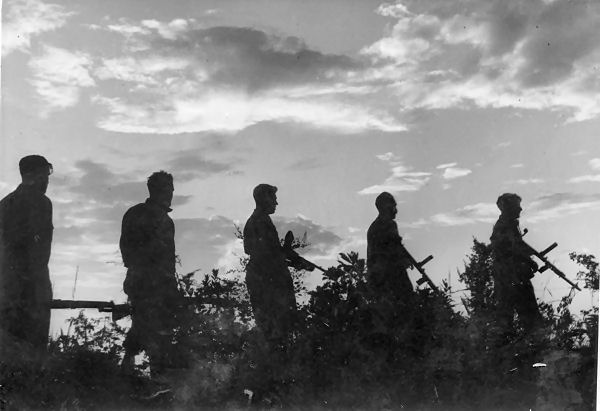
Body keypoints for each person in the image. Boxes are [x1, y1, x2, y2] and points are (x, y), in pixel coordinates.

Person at [119, 171, 180, 376]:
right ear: (160, 190)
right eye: (169, 188)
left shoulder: (135, 214)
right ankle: (154, 379)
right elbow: (162, 260)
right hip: (153, 286)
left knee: (141, 328)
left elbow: (126, 251)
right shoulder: (158, 219)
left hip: (142, 283)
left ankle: (128, 376)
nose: (171, 193)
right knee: (156, 334)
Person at [243, 184, 311, 349]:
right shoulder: (259, 221)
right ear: (265, 199)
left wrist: (292, 257)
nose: (276, 203)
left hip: (263, 278)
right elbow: (267, 254)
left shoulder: (257, 220)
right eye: (273, 198)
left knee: (274, 332)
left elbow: (265, 252)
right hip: (268, 283)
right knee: (276, 332)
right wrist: (293, 258)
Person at [0, 155, 54, 360]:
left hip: (6, 287)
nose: (47, 181)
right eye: (45, 175)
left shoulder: (4, 204)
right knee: (34, 352)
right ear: (36, 175)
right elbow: (40, 253)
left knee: (8, 350)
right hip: (32, 288)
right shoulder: (41, 202)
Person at [490, 193, 541, 337]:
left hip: (508, 276)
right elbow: (513, 248)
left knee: (506, 316)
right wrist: (530, 260)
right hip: (513, 277)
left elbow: (517, 245)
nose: (520, 209)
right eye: (516, 206)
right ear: (508, 208)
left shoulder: (507, 225)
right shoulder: (506, 226)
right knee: (528, 315)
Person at [366, 192, 413, 301]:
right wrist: (403, 260)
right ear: (384, 208)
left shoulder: (377, 226)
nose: (395, 210)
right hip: (387, 277)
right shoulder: (387, 225)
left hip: (380, 279)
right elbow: (389, 251)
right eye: (392, 206)